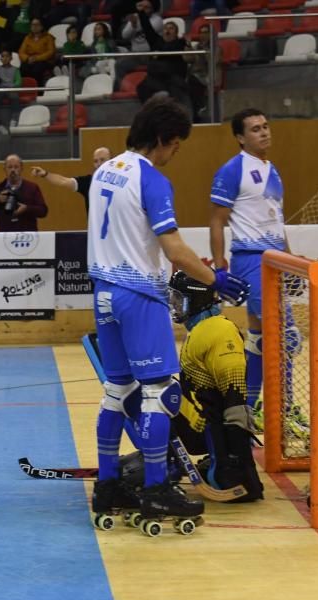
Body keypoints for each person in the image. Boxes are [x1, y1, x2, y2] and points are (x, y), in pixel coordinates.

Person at [86, 97, 249, 528]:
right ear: (161, 140)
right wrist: (216, 279)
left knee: (116, 391)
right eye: (175, 145)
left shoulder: (105, 170)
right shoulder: (151, 179)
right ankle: (157, 490)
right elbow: (174, 249)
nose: (176, 153)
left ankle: (107, 487)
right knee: (162, 393)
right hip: (138, 295)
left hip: (102, 293)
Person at [209, 108, 291, 428]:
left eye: (266, 126)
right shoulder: (232, 170)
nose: (264, 132)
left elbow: (276, 221)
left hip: (275, 260)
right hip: (252, 260)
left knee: (259, 337)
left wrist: (291, 262)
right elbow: (216, 222)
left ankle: (249, 408)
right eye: (256, 129)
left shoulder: (272, 169)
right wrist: (219, 268)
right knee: (284, 336)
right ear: (241, 138)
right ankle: (283, 410)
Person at [168, 271, 263, 502]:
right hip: (203, 424)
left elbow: (235, 397)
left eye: (180, 300)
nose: (175, 307)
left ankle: (161, 466)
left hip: (203, 429)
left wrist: (235, 467)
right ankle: (164, 462)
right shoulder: (202, 328)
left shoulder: (219, 330)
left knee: (154, 393)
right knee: (157, 388)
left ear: (197, 299)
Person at [30, 146, 113, 212]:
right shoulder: (88, 182)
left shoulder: (122, 181)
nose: (99, 164)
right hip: (97, 232)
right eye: (95, 161)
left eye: (102, 160)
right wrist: (45, 174)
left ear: (112, 161)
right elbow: (63, 181)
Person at [0, 154, 48, 232]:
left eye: (16, 167)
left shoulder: (32, 187)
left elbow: (43, 211)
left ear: (21, 168)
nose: (13, 170)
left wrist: (27, 209)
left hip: (28, 237)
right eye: (10, 167)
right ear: (4, 169)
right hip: (4, 237)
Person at [136, 16, 191, 111]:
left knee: (176, 88)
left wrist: (188, 45)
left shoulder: (180, 43)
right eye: (166, 28)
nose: (168, 30)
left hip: (174, 77)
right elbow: (147, 28)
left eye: (171, 28)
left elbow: (188, 57)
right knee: (141, 87)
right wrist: (141, 13)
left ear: (176, 33)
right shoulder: (157, 42)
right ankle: (150, 111)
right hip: (156, 78)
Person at [18, 18, 56, 85]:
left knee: (37, 70)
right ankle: (26, 90)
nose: (34, 27)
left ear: (42, 26)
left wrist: (36, 58)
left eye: (37, 25)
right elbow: (21, 52)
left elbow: (51, 52)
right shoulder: (27, 38)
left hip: (43, 61)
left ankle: (38, 91)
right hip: (29, 60)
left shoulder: (48, 37)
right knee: (23, 68)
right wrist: (27, 58)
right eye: (32, 25)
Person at [0, 48, 21, 134]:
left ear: (11, 58)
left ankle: (14, 120)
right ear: (0, 58)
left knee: (15, 97)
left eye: (7, 56)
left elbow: (18, 82)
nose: (5, 58)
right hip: (1, 90)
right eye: (3, 56)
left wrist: (11, 86)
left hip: (11, 89)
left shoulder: (15, 69)